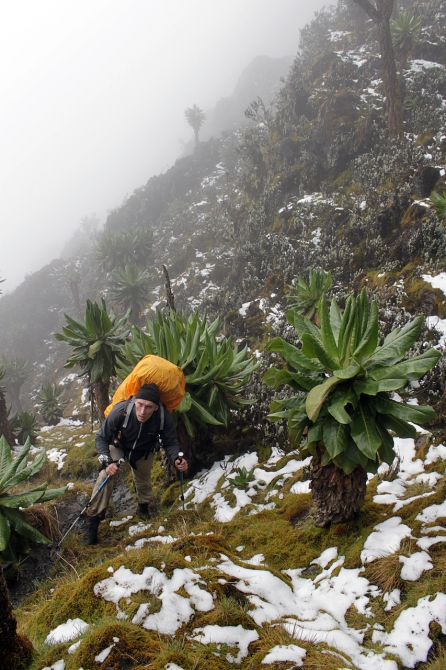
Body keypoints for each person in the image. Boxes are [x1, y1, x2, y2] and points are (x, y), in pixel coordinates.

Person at [82, 382, 187, 545]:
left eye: (148, 407)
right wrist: (107, 461)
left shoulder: (163, 417)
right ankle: (92, 522)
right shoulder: (120, 411)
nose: (143, 412)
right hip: (119, 447)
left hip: (144, 451)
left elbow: (170, 442)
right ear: (135, 400)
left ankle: (143, 508)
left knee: (143, 481)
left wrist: (175, 459)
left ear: (156, 407)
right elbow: (101, 437)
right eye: (140, 405)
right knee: (105, 477)